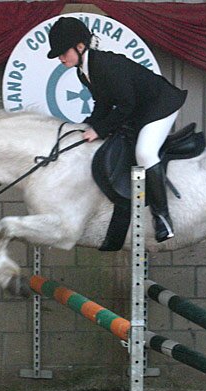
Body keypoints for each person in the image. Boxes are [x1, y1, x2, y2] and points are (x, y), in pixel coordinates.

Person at [47, 17, 187, 243]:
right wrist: (86, 126)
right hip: (140, 108)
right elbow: (102, 103)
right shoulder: (83, 71)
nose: (61, 58)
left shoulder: (105, 65)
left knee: (145, 152)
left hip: (162, 104)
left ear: (80, 47)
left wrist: (99, 130)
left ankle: (163, 218)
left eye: (63, 52)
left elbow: (126, 105)